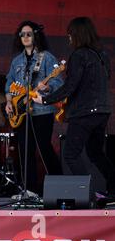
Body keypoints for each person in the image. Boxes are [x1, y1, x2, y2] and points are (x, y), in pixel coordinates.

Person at [33, 17, 115, 197]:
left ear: (76, 34)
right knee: (95, 153)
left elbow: (71, 86)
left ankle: (88, 193)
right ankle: (113, 187)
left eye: (70, 34)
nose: (68, 38)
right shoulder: (102, 55)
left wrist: (44, 100)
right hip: (102, 111)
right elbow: (92, 83)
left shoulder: (79, 55)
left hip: (85, 113)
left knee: (70, 154)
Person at [4, 20, 63, 195]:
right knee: (24, 150)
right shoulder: (17, 61)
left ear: (36, 36)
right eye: (22, 34)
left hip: (42, 110)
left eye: (29, 33)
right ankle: (29, 190)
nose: (25, 37)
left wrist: (48, 87)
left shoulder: (47, 57)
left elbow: (58, 82)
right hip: (21, 111)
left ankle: (59, 188)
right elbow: (9, 83)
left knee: (44, 147)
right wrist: (9, 102)